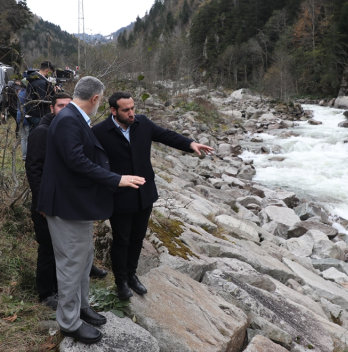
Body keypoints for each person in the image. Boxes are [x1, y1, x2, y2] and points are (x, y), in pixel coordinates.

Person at [37, 77, 145, 345]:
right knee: (71, 264)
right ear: (96, 99)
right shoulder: (69, 120)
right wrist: (116, 178)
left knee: (84, 258)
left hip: (77, 204)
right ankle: (70, 323)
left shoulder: (72, 117)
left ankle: (82, 306)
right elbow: (76, 160)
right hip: (66, 205)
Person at [92, 91, 214, 300]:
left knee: (138, 238)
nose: (131, 113)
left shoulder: (142, 123)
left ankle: (132, 276)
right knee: (122, 240)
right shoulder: (99, 132)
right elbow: (89, 163)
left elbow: (166, 135)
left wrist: (190, 144)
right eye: (126, 110)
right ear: (113, 110)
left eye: (133, 108)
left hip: (144, 194)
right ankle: (121, 282)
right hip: (119, 195)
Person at [25, 91, 108, 311]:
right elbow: (34, 171)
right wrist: (42, 202)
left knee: (63, 250)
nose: (64, 108)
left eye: (67, 105)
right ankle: (46, 292)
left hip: (59, 200)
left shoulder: (67, 128)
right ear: (51, 108)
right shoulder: (42, 133)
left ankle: (68, 291)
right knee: (48, 248)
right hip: (46, 201)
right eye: (60, 105)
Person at [26, 61, 59, 131]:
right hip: (38, 114)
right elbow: (42, 100)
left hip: (31, 112)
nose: (50, 75)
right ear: (47, 70)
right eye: (51, 73)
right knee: (38, 136)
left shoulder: (34, 79)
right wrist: (54, 95)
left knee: (32, 136)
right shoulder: (40, 83)